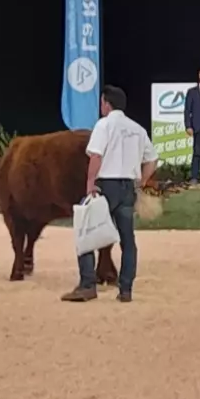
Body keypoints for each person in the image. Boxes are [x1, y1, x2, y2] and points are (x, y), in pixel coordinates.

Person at [62, 85, 158, 303]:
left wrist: (89, 184)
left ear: (107, 103)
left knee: (86, 230)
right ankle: (126, 290)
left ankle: (87, 285)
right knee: (127, 240)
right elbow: (152, 160)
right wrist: (141, 182)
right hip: (127, 188)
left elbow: (95, 156)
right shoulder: (137, 129)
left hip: (107, 185)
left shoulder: (104, 125)